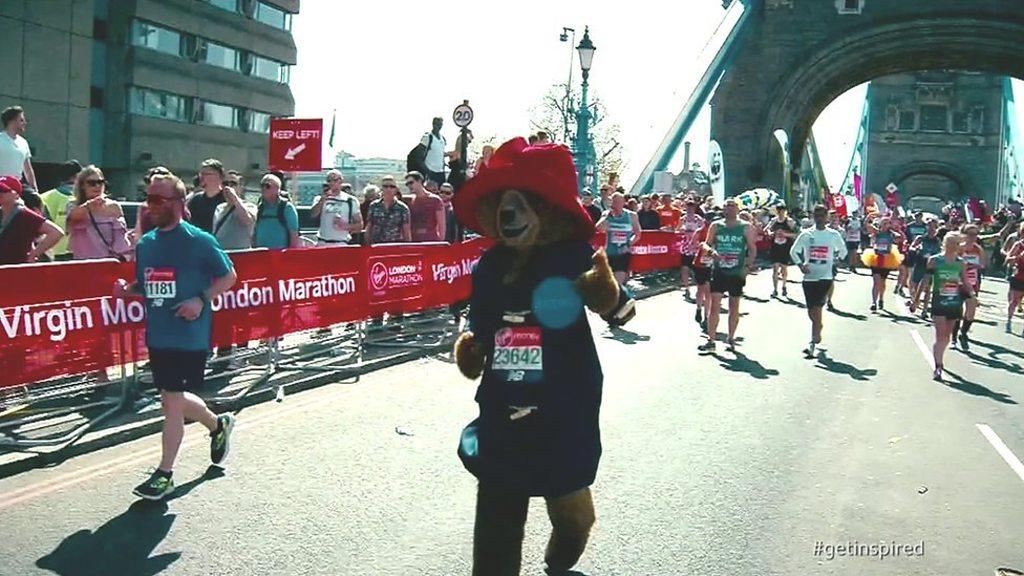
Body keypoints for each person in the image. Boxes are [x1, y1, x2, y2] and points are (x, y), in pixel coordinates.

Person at [113, 171, 238, 500]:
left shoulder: (198, 240)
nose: (150, 205)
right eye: (148, 198)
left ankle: (164, 473)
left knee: (170, 401)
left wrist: (200, 299)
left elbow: (229, 276)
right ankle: (217, 424)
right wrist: (128, 291)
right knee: (173, 400)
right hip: (159, 334)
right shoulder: (146, 244)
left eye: (158, 199)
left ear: (179, 203)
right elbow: (147, 283)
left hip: (189, 335)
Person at [912, 233, 975, 382]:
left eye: (956, 244)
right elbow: (925, 280)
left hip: (954, 303)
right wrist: (916, 300)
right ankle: (938, 366)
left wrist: (972, 295)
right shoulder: (935, 260)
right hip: (939, 302)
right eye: (952, 243)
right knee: (940, 335)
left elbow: (965, 281)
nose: (954, 246)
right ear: (946, 244)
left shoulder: (960, 263)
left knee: (946, 336)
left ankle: (940, 357)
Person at [699, 198, 758, 352]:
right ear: (723, 209)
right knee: (714, 306)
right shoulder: (716, 225)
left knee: (734, 306)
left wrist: (747, 267)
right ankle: (711, 341)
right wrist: (712, 252)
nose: (729, 209)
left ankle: (730, 338)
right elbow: (705, 244)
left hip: (737, 272)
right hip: (718, 270)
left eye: (732, 206)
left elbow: (752, 248)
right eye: (726, 206)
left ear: (738, 209)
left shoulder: (746, 227)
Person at [790, 205, 847, 357]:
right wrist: (801, 265)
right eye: (817, 214)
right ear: (813, 216)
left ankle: (813, 341)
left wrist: (837, 260)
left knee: (817, 308)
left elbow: (843, 250)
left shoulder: (833, 234)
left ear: (827, 216)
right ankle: (818, 325)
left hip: (825, 276)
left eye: (823, 214)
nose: (820, 217)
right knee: (811, 309)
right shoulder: (806, 234)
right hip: (809, 277)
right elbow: (793, 251)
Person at [65, 165, 133, 261]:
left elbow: (120, 236)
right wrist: (89, 206)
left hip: (108, 263)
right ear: (82, 186)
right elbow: (72, 219)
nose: (97, 186)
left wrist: (124, 257)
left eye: (100, 182)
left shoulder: (113, 207)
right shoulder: (73, 205)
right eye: (92, 183)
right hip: (82, 263)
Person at [595, 192, 642, 324]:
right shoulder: (607, 215)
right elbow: (598, 228)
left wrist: (629, 243)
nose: (615, 204)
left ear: (623, 203)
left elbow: (638, 234)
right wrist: (607, 217)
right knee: (609, 285)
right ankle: (615, 310)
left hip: (623, 254)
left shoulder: (631, 216)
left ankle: (616, 313)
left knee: (617, 284)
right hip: (609, 253)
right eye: (613, 202)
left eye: (618, 202)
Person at [0, 175, 63, 264]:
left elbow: (56, 232)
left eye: (3, 190)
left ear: (16, 194)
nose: (0, 194)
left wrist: (34, 253)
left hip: (17, 269)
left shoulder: (25, 215)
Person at [953, 224, 988, 351]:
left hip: (972, 282)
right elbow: (951, 262)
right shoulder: (958, 248)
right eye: (970, 234)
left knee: (971, 311)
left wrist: (976, 266)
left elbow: (983, 264)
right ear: (964, 235)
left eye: (975, 234)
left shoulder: (978, 249)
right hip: (957, 282)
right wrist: (962, 265)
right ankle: (954, 337)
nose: (973, 237)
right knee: (957, 311)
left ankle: (964, 333)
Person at [39, 160, 82, 261]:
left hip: (51, 252)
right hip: (81, 252)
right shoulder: (87, 197)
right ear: (78, 176)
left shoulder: (44, 197)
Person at [310, 169, 362, 247]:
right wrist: (322, 200)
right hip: (323, 242)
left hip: (341, 243)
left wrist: (345, 226)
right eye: (329, 180)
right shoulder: (319, 198)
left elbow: (359, 225)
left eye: (335, 180)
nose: (331, 183)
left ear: (341, 181)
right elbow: (313, 214)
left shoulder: (350, 200)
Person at [863, 215, 904, 311]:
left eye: (888, 223)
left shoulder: (891, 233)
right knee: (876, 281)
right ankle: (874, 302)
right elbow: (867, 226)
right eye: (884, 223)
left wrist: (897, 231)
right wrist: (868, 218)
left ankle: (881, 298)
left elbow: (900, 238)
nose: (886, 225)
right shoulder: (877, 232)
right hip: (876, 258)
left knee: (882, 281)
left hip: (887, 259)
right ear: (881, 224)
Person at [252, 173, 300, 249]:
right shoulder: (260, 207)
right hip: (261, 254)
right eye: (262, 185)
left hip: (280, 256)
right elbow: (254, 233)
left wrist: (291, 256)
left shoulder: (287, 208)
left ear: (277, 189)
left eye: (267, 186)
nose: (263, 188)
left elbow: (294, 235)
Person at [907, 219, 942, 320]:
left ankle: (925, 310)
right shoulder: (921, 238)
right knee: (914, 285)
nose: (931, 229)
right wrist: (915, 249)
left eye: (934, 227)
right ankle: (915, 301)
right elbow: (911, 247)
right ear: (926, 227)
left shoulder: (937, 240)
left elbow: (941, 250)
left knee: (927, 289)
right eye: (929, 226)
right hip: (920, 263)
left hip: (930, 265)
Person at [210, 175, 256, 251]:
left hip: (240, 253)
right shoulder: (219, 208)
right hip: (222, 253)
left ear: (240, 187)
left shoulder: (250, 206)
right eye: (225, 183)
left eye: (233, 184)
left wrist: (235, 199)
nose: (228, 187)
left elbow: (248, 221)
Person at [365, 175, 411, 245]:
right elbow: (369, 228)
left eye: (392, 186)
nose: (388, 189)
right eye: (385, 186)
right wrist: (367, 246)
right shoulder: (374, 206)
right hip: (376, 246)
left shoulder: (403, 208)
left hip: (395, 246)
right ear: (381, 188)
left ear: (396, 189)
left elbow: (406, 232)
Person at [185, 159, 228, 233]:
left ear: (219, 177)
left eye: (207, 174)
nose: (202, 177)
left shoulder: (227, 200)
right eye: (201, 173)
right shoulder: (196, 199)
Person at [765, 204, 798, 298]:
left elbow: (795, 234)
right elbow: (766, 230)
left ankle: (784, 285)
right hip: (775, 247)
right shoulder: (774, 221)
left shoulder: (790, 221)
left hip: (785, 247)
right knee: (775, 268)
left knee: (784, 268)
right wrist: (771, 233)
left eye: (783, 211)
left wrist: (785, 234)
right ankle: (775, 289)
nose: (781, 213)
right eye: (779, 211)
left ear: (786, 211)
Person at [0, 106, 37, 190]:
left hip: (17, 185)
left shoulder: (23, 142)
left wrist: (34, 189)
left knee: (36, 201)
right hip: (1, 185)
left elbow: (28, 169)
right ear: (12, 121)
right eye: (21, 120)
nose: (25, 123)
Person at [677, 199, 705, 300]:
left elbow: (703, 230)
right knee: (684, 267)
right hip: (685, 246)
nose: (689, 209)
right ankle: (686, 288)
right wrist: (683, 231)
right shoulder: (683, 219)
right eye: (688, 207)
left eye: (691, 207)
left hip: (695, 247)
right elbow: (677, 230)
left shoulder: (699, 219)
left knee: (697, 268)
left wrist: (695, 234)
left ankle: (700, 287)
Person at [406, 171, 446, 242]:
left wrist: (440, 241)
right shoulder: (410, 201)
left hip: (431, 240)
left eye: (411, 182)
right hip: (415, 241)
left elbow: (442, 226)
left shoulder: (435, 200)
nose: (409, 186)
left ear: (419, 181)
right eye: (407, 184)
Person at [1005, 226, 1024, 334]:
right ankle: (1009, 321)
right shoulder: (1018, 245)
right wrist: (1018, 257)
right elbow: (1008, 259)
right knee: (1014, 301)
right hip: (1018, 276)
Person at [418, 117, 447, 185]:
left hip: (440, 172)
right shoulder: (428, 137)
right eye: (436, 124)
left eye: (440, 124)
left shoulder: (442, 139)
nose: (438, 126)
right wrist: (426, 170)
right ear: (433, 124)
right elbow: (419, 155)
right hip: (430, 171)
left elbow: (439, 153)